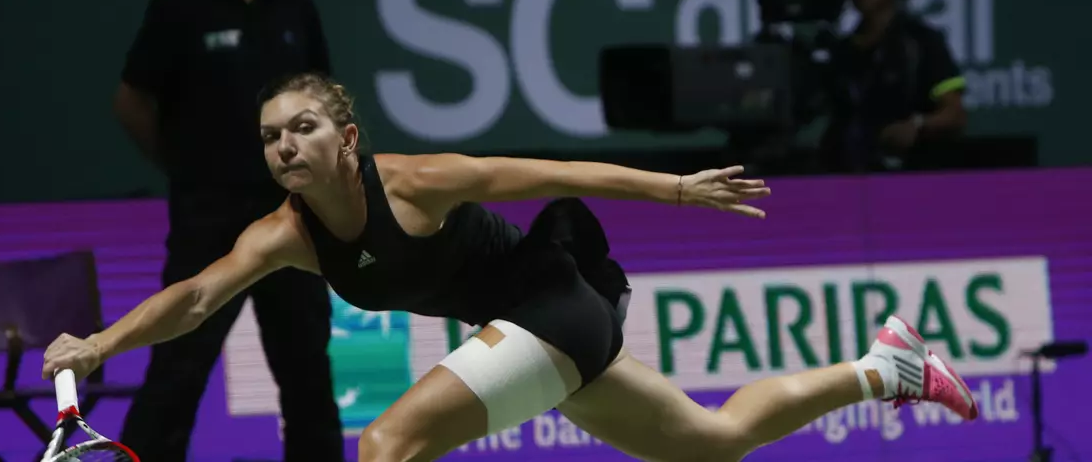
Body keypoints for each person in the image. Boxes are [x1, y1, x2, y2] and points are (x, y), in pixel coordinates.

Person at [47, 73, 979, 462]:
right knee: (715, 440)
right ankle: (885, 366)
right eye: (269, 138)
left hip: (553, 305)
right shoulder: (284, 231)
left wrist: (678, 190)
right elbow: (200, 295)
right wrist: (100, 343)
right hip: (535, 334)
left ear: (348, 137)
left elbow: (556, 171)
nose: (284, 146)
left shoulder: (415, 183)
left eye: (303, 127)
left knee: (383, 449)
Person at [110, 0, 341, 460]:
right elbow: (132, 101)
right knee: (178, 370)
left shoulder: (293, 1)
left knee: (308, 374)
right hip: (208, 219)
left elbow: (322, 98)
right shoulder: (179, 8)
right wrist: (185, 167)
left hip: (293, 216)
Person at [820, 0, 967, 173]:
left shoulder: (921, 42)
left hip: (908, 180)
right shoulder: (841, 51)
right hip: (846, 179)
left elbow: (955, 114)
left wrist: (916, 126)